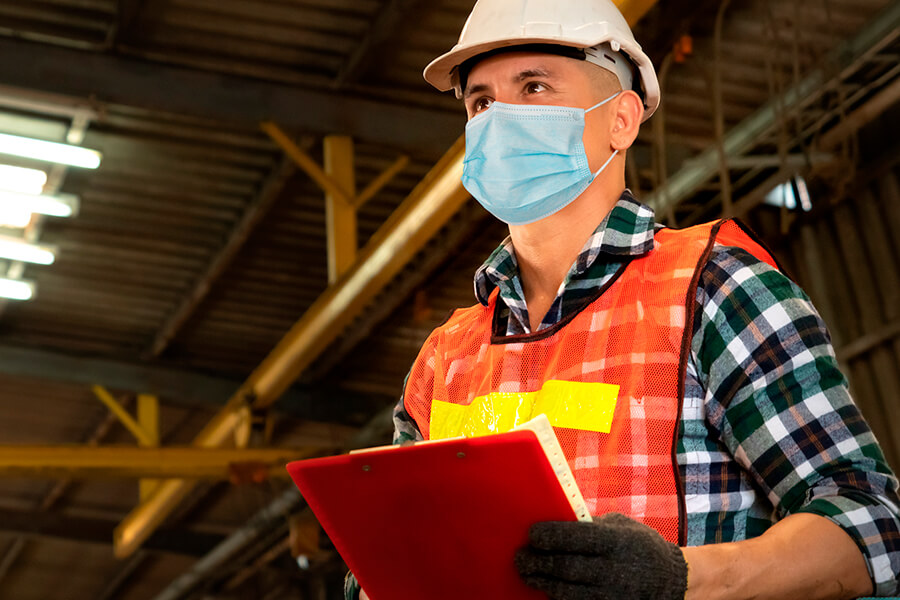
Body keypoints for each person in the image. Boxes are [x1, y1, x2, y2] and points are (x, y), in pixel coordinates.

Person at [346, 0, 900, 598]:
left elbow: (874, 528)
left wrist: (680, 579)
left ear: (622, 119)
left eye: (533, 86)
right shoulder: (444, 358)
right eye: (481, 101)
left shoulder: (714, 290)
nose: (499, 118)